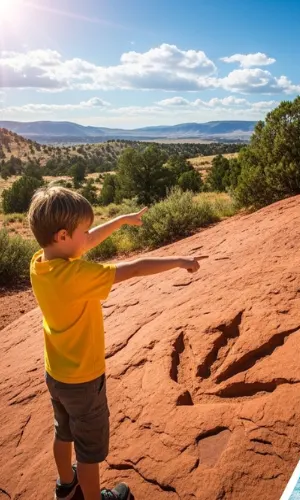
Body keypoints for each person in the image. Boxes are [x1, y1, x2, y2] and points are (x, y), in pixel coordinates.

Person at [27, 186, 207, 500]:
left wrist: (120, 221)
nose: (88, 236)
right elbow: (135, 268)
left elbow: (84, 241)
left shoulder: (41, 262)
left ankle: (65, 486)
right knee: (89, 451)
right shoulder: (76, 275)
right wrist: (180, 260)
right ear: (62, 236)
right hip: (84, 379)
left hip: (56, 373)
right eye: (83, 231)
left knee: (63, 431)